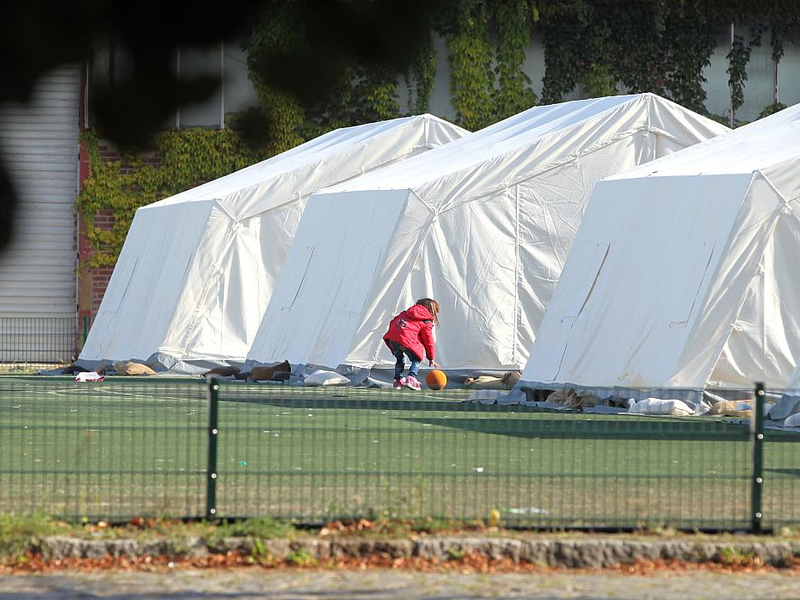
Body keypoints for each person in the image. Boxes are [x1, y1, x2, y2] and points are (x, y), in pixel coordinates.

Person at [383, 298, 440, 390]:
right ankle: (411, 378)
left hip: (393, 338)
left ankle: (398, 380)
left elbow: (393, 322)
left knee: (400, 358)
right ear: (431, 310)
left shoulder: (405, 313)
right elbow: (428, 340)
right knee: (416, 359)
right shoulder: (426, 321)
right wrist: (431, 358)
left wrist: (395, 336)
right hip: (406, 340)